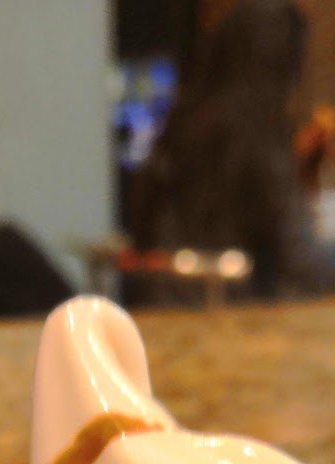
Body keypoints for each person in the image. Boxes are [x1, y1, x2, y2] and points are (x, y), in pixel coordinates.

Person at [129, 0, 314, 298]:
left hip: (164, 298)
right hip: (238, 308)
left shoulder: (186, 116)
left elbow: (141, 218)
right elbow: (297, 253)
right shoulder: (259, 126)